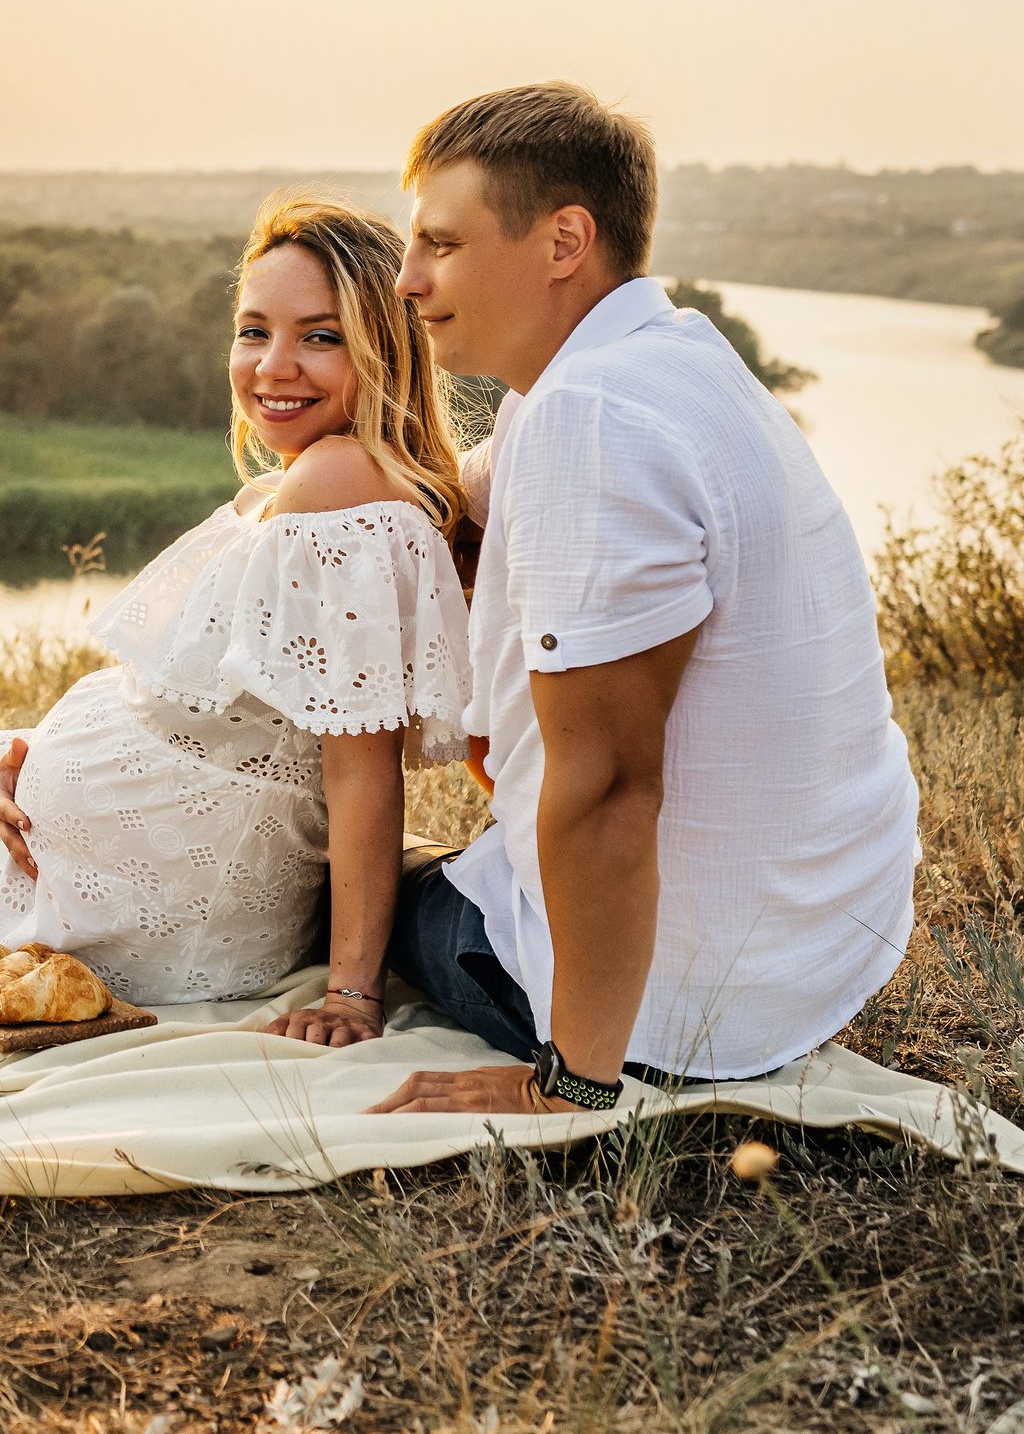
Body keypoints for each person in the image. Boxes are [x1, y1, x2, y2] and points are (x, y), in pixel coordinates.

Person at [0, 194, 471, 1039]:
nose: (273, 366)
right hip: (146, 860)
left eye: (320, 337)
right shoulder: (303, 482)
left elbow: (362, 768)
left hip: (171, 905)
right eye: (254, 331)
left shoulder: (338, 483)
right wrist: (33, 760)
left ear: (384, 349)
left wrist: (353, 992)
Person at [369, 82, 919, 1117]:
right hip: (818, 942)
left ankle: (585, 1044)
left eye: (440, 243)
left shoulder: (593, 417)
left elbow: (613, 787)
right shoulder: (658, 362)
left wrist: (574, 1083)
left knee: (334, 882)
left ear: (563, 241)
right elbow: (451, 508)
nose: (407, 279)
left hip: (691, 998)